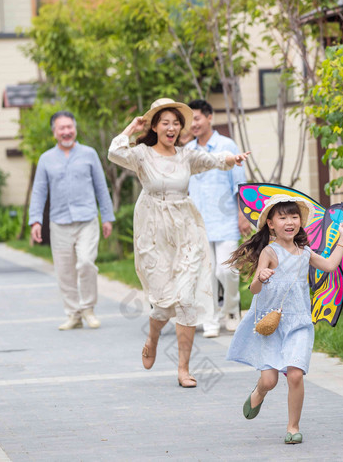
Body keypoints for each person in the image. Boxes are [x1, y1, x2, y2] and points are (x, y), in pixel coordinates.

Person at [107, 98, 250, 388]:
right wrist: (132, 127)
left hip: (186, 229)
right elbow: (114, 152)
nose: (171, 128)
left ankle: (184, 369)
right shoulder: (142, 154)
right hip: (153, 232)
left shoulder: (187, 155)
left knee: (186, 298)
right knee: (162, 303)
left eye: (176, 123)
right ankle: (153, 336)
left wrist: (232, 160)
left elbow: (213, 160)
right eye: (165, 123)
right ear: (155, 126)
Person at [225, 194, 343, 444]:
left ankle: (293, 427)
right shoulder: (270, 252)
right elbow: (253, 290)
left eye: (294, 217)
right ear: (271, 224)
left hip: (299, 322)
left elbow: (328, 265)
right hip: (270, 325)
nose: (290, 221)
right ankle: (259, 391)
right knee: (270, 380)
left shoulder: (304, 253)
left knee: (295, 374)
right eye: (282, 217)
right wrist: (260, 277)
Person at [29, 111, 115, 331]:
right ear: (54, 132)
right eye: (61, 128)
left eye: (69, 127)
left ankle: (88, 308)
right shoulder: (46, 159)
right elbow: (39, 191)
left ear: (75, 128)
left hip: (87, 219)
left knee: (86, 262)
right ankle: (73, 315)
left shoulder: (89, 154)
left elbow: (101, 187)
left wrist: (107, 217)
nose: (66, 131)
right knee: (64, 272)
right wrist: (35, 221)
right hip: (59, 222)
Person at [186, 99, 250, 338]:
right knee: (205, 274)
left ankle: (232, 310)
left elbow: (240, 184)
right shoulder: (188, 151)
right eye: (190, 120)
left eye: (197, 118)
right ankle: (210, 319)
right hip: (198, 222)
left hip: (225, 220)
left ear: (209, 117)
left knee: (227, 270)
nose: (193, 124)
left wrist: (243, 214)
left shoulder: (227, 145)